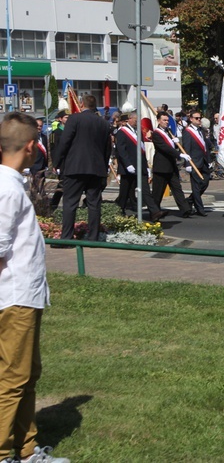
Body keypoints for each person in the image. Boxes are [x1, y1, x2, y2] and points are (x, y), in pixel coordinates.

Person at [0, 111, 70, 463]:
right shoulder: (7, 189)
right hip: (14, 299)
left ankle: (26, 450)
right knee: (13, 380)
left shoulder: (9, 184)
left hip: (21, 296)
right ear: (30, 147)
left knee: (25, 375)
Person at [54, 94, 112, 241]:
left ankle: (66, 238)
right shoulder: (104, 123)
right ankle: (93, 238)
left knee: (70, 203)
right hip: (96, 169)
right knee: (94, 204)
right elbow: (107, 149)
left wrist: (57, 162)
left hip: (75, 167)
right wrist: (103, 168)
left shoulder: (74, 119)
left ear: (81, 104)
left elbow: (65, 142)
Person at [114, 112, 166, 222]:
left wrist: (146, 166)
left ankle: (155, 212)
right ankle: (118, 210)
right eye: (135, 119)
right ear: (129, 119)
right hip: (128, 168)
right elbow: (121, 151)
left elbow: (142, 151)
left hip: (140, 166)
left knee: (145, 190)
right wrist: (127, 165)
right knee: (124, 192)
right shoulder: (122, 132)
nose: (137, 122)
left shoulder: (138, 132)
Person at [150, 111, 192, 218]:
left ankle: (185, 209)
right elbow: (165, 148)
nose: (166, 122)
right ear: (158, 121)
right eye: (164, 120)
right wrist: (179, 154)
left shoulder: (168, 131)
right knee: (158, 192)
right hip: (161, 166)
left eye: (167, 120)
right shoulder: (156, 133)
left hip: (171, 165)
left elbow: (172, 147)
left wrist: (177, 144)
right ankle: (154, 212)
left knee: (177, 188)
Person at [182, 110, 211, 217]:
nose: (199, 120)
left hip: (203, 161)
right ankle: (200, 208)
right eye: (196, 118)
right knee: (196, 186)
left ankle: (189, 201)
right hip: (193, 162)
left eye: (200, 118)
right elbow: (186, 148)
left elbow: (206, 147)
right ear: (191, 119)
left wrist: (209, 160)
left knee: (205, 182)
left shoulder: (202, 130)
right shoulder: (187, 132)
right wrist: (187, 164)